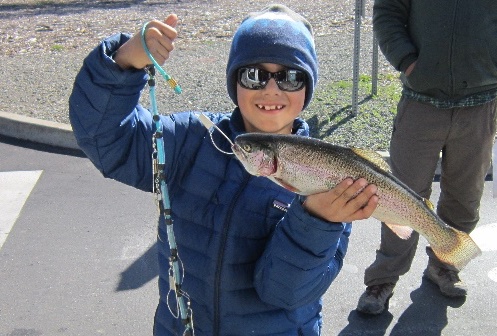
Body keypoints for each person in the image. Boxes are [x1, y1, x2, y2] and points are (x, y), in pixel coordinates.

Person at [69, 4, 379, 335]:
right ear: (234, 81)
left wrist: (316, 222)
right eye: (254, 75)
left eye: (290, 77)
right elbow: (108, 140)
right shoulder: (190, 139)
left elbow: (286, 293)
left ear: (308, 87)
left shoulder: (330, 178)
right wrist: (121, 63)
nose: (271, 89)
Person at [356, 0, 497, 315]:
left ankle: (443, 266)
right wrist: (408, 62)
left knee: (465, 195)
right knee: (400, 197)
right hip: (421, 102)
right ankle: (383, 279)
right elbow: (388, 11)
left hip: (482, 102)